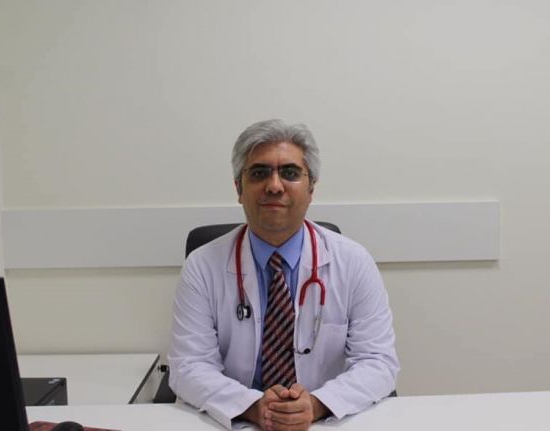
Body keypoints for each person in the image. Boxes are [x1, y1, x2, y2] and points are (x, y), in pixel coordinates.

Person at [169, 119, 399, 430]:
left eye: (290, 173)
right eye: (259, 173)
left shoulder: (354, 262)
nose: (274, 186)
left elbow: (378, 362)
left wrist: (316, 405)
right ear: (238, 188)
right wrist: (252, 406)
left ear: (311, 187)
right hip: (236, 422)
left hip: (325, 422)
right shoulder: (202, 266)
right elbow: (189, 366)